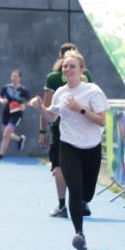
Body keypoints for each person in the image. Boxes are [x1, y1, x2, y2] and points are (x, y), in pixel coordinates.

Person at [29, 51, 108, 250]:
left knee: (87, 194)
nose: (67, 69)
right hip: (68, 145)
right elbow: (52, 117)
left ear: (81, 69)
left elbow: (102, 120)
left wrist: (80, 109)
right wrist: (40, 108)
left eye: (72, 66)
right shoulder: (60, 92)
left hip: (91, 147)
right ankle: (79, 233)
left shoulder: (93, 91)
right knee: (75, 188)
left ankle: (83, 204)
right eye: (65, 66)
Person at [41, 42, 94, 217]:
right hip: (80, 126)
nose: (68, 69)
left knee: (59, 167)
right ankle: (82, 202)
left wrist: (42, 131)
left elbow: (47, 106)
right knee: (81, 164)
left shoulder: (53, 77)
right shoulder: (85, 75)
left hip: (61, 128)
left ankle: (63, 205)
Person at [0, 69, 31, 161]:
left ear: (20, 78)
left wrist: (24, 105)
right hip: (6, 112)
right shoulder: (6, 87)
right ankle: (19, 139)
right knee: (6, 134)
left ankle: (0, 157)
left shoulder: (24, 90)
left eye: (16, 76)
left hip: (17, 114)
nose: (13, 78)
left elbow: (29, 102)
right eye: (12, 76)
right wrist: (2, 100)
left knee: (7, 133)